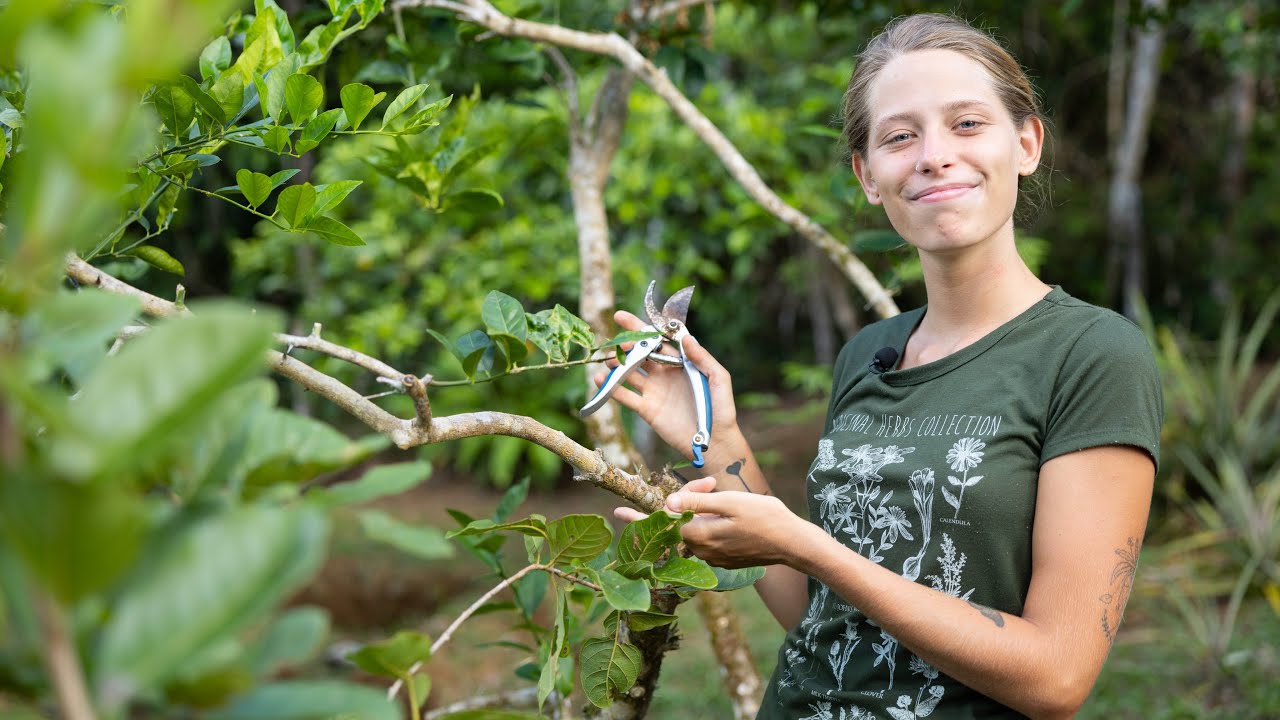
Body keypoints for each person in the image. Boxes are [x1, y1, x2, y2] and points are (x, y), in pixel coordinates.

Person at [602, 12, 1163, 720]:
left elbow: (1057, 679)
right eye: (900, 137)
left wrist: (812, 548)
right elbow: (823, 615)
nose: (934, 156)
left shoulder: (1092, 355)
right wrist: (713, 436)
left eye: (966, 124)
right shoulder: (868, 353)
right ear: (868, 175)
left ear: (1025, 144)